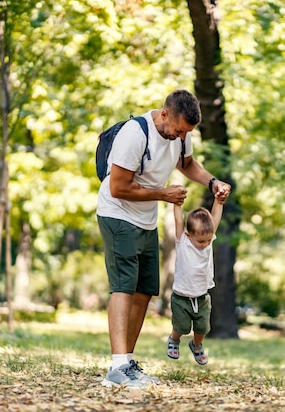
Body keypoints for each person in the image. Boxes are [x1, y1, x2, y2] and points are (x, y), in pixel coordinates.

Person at [97, 89, 231, 389]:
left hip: (144, 218)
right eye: (179, 129)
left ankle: (127, 363)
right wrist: (164, 194)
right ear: (164, 114)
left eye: (186, 132)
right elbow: (118, 188)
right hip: (117, 213)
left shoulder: (182, 135)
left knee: (145, 288)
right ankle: (117, 367)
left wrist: (212, 182)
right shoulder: (135, 135)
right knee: (123, 285)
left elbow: (186, 164)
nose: (181, 136)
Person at [166, 192, 226, 366]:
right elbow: (178, 221)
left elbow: (215, 217)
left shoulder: (207, 240)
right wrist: (177, 203)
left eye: (208, 240)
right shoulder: (182, 242)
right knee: (182, 327)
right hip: (181, 296)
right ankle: (174, 339)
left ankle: (197, 345)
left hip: (201, 296)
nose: (206, 244)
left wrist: (219, 201)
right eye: (201, 241)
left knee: (203, 328)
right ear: (188, 235)